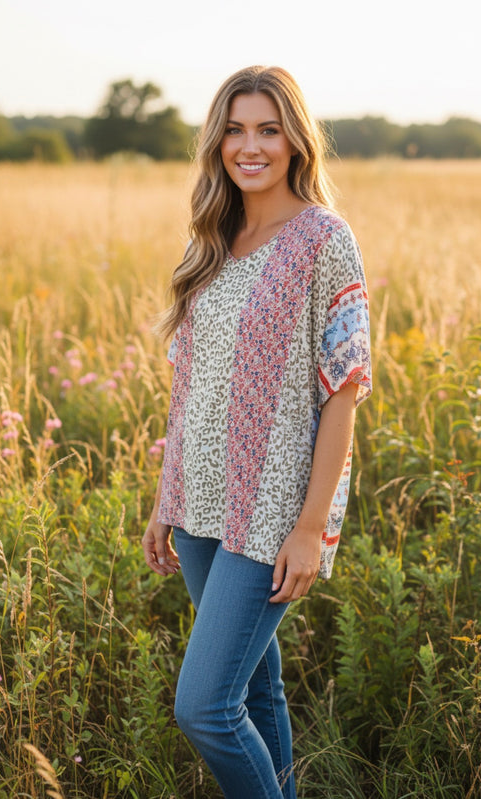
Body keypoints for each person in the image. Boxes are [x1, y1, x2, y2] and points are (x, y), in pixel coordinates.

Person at [142, 65, 372, 799]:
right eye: (235, 129)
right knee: (258, 689)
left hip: (271, 512)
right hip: (198, 502)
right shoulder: (211, 239)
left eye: (267, 129)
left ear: (295, 141)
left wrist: (310, 528)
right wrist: (163, 498)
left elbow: (345, 388)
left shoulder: (321, 238)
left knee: (204, 707)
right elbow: (189, 388)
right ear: (216, 142)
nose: (250, 145)